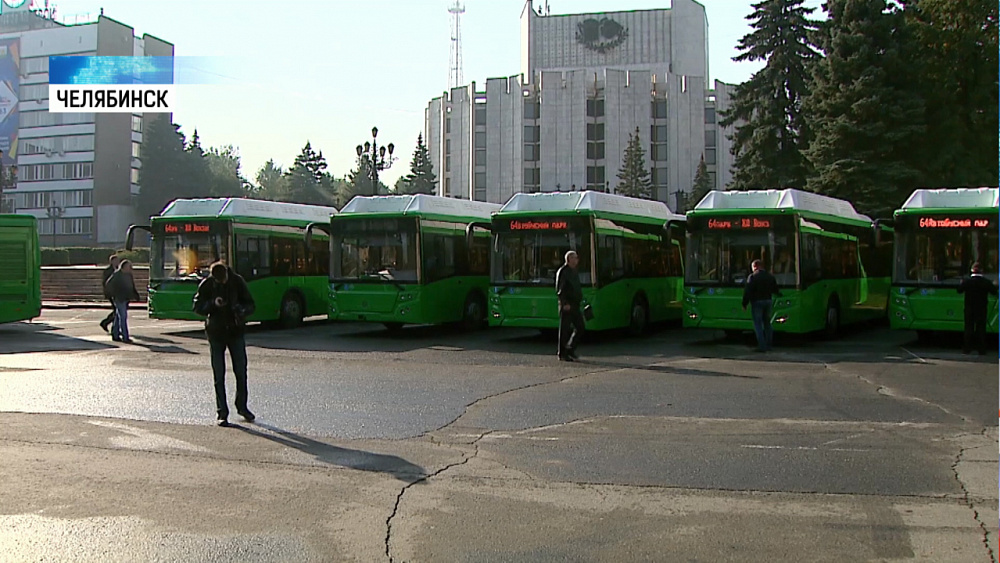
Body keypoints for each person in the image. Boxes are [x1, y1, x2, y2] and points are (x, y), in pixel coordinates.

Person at [193, 261, 257, 426]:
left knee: (241, 371)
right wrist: (212, 304)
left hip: (235, 331)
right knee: (218, 374)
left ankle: (242, 407)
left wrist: (241, 310)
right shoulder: (207, 284)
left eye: (224, 280)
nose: (222, 283)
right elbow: (197, 306)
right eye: (218, 281)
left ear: (227, 274)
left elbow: (251, 304)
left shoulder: (237, 281)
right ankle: (222, 412)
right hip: (216, 333)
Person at [956, 262, 998, 355]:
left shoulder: (967, 282)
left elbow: (959, 290)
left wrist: (961, 283)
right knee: (981, 329)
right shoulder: (986, 282)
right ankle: (981, 349)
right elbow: (994, 292)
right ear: (981, 271)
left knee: (968, 328)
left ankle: (967, 348)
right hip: (982, 309)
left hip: (969, 308)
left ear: (972, 271)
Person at [742, 259, 780, 352]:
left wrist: (744, 303)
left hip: (757, 302)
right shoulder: (770, 276)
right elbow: (775, 289)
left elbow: (748, 291)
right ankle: (769, 345)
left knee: (758, 324)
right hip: (768, 301)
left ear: (755, 266)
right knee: (767, 323)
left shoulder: (752, 277)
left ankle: (761, 346)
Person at [555, 250, 584, 361]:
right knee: (564, 330)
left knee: (580, 327)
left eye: (576, 257)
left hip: (575, 305)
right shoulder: (563, 271)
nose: (577, 260)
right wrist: (564, 303)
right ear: (569, 259)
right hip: (567, 305)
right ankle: (562, 353)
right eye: (574, 257)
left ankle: (570, 348)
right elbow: (560, 290)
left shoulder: (574, 271)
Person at [105, 259, 140, 344]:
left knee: (118, 316)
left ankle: (115, 334)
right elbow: (108, 284)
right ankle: (125, 336)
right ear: (123, 267)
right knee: (123, 317)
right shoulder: (117, 275)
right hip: (119, 298)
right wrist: (114, 294)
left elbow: (132, 285)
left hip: (125, 298)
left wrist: (135, 295)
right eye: (128, 266)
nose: (130, 268)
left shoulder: (128, 275)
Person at [99, 254, 121, 332]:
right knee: (117, 310)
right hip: (111, 293)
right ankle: (107, 324)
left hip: (118, 293)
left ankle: (107, 323)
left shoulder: (119, 270)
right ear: (111, 261)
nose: (117, 262)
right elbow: (105, 282)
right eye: (115, 261)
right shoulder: (108, 271)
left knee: (117, 310)